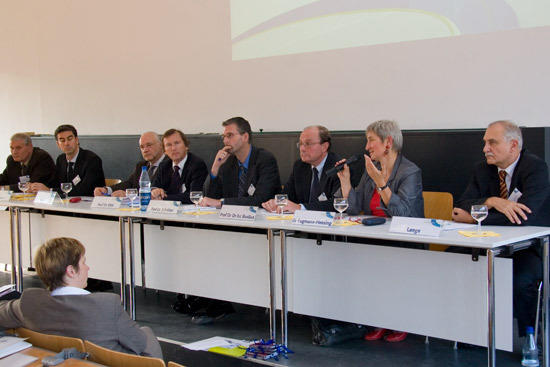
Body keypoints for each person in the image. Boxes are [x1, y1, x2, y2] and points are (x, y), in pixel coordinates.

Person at [452, 120, 550, 339]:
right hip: (488, 244)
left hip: (528, 248)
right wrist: (494, 201)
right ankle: (468, 332)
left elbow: (524, 217)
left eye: (492, 143)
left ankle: (530, 340)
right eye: (485, 142)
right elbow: (462, 204)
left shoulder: (535, 168)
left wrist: (475, 219)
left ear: (513, 145)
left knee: (522, 279)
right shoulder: (482, 169)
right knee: (451, 260)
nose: (485, 148)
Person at [0, 237, 162, 358]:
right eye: (83, 262)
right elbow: (139, 343)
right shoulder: (107, 305)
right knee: (146, 333)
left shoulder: (29, 302)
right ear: (71, 271)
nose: (88, 267)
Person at [336, 119, 424, 343]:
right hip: (374, 237)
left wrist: (381, 184)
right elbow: (355, 209)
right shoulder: (370, 171)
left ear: (388, 142)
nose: (367, 147)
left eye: (371, 141)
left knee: (386, 260)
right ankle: (377, 318)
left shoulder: (410, 171)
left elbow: (403, 213)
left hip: (404, 241)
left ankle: (397, 319)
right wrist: (346, 183)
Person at [200, 117, 281, 208]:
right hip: (230, 219)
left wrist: (222, 203)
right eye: (224, 137)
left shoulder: (265, 160)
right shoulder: (227, 161)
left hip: (261, 219)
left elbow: (261, 199)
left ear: (245, 137)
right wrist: (215, 167)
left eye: (230, 135)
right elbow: (210, 198)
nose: (225, 141)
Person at [262, 125, 340, 213]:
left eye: (308, 144)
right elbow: (287, 194)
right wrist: (276, 202)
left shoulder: (338, 168)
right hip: (300, 224)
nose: (302, 149)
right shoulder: (299, 166)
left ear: (324, 147)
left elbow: (337, 204)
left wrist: (300, 208)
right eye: (301, 144)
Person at [29, 125, 105, 197]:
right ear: (58, 144)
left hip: (88, 205)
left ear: (76, 140)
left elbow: (84, 190)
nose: (66, 143)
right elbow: (55, 182)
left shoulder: (92, 160)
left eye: (70, 139)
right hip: (67, 204)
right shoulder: (61, 159)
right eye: (62, 140)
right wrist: (37, 187)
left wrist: (50, 190)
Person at [94, 132, 167, 197]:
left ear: (161, 145)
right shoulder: (141, 165)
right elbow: (129, 184)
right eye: (142, 147)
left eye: (149, 145)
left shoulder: (171, 165)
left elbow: (160, 191)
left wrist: (129, 194)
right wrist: (107, 190)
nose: (145, 150)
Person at [150, 129, 208, 203]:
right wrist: (155, 191)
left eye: (177, 143)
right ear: (164, 151)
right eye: (168, 145)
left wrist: (163, 198)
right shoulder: (164, 165)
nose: (173, 148)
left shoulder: (197, 165)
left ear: (186, 146)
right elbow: (153, 186)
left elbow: (195, 196)